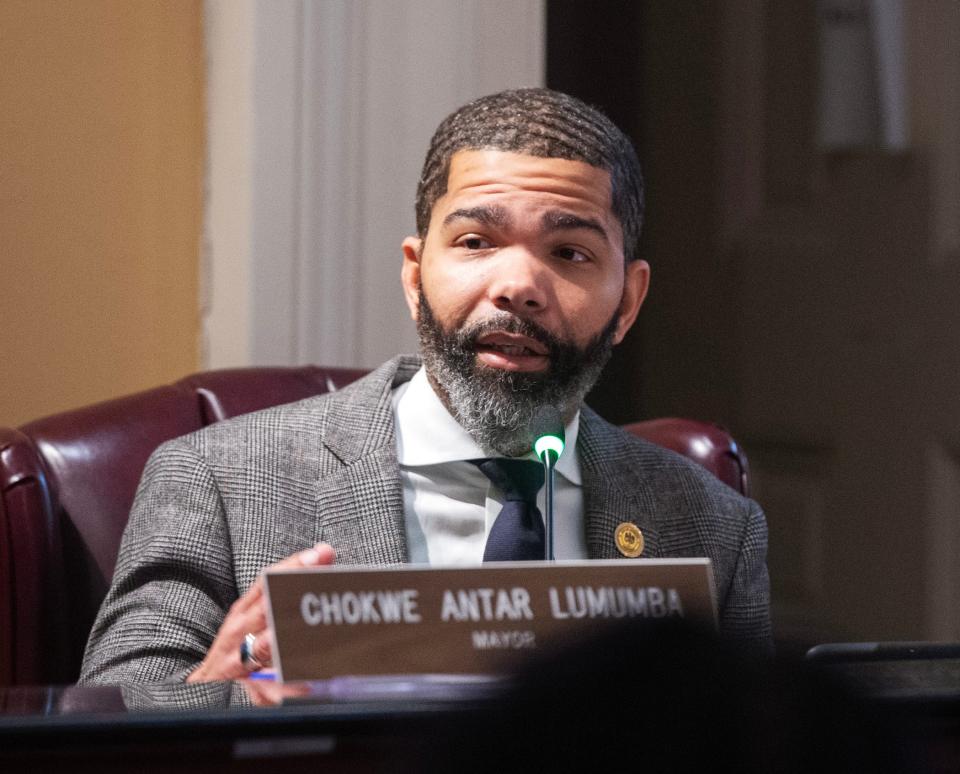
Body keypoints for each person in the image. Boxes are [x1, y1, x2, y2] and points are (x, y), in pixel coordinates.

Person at [79, 88, 771, 684]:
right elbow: (107, 728)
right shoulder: (217, 480)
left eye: (570, 253)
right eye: (475, 242)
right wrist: (227, 692)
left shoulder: (712, 528)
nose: (517, 287)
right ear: (415, 275)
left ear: (628, 302)